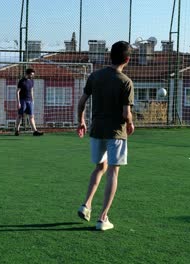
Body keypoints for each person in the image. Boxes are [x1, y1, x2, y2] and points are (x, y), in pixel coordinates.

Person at [76, 41, 135, 231]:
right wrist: (131, 123)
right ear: (127, 59)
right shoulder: (126, 82)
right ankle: (103, 218)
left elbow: (82, 102)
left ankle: (86, 205)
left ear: (110, 56)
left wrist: (81, 121)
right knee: (113, 172)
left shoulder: (95, 76)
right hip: (116, 132)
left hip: (97, 130)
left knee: (99, 167)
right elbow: (126, 113)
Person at [14, 68, 44, 136]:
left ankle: (35, 131)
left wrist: (33, 100)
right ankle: (17, 130)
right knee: (20, 116)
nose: (32, 76)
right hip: (22, 100)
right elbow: (17, 92)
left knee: (31, 116)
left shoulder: (31, 81)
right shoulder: (21, 81)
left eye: (33, 74)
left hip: (30, 101)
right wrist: (18, 102)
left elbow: (31, 90)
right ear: (27, 74)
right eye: (31, 74)